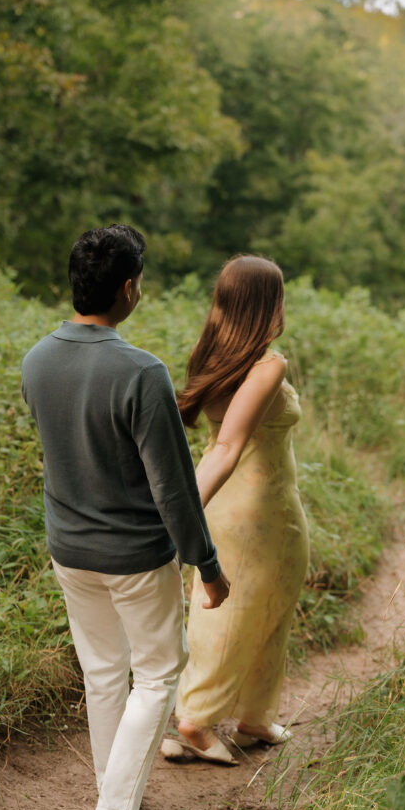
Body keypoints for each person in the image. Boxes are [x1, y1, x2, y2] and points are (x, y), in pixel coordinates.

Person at [21, 224, 230, 810]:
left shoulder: (36, 359)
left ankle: (116, 799)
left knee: (105, 673)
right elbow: (172, 490)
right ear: (129, 289)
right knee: (159, 672)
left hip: (70, 551)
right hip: (136, 555)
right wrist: (208, 565)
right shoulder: (142, 372)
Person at [162, 254, 309, 766]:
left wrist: (188, 510)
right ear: (268, 303)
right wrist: (178, 514)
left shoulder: (213, 357)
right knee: (238, 613)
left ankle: (253, 718)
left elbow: (217, 445)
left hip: (237, 506)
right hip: (259, 511)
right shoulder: (269, 365)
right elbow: (228, 446)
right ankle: (194, 723)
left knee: (264, 606)